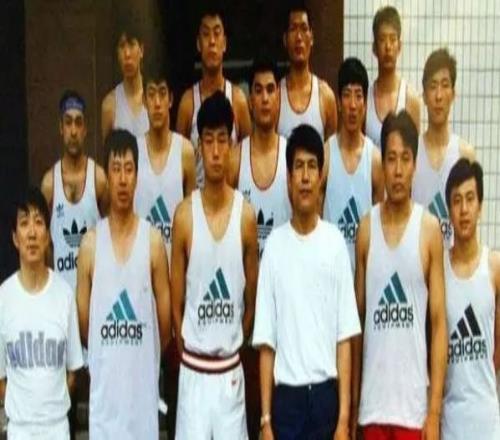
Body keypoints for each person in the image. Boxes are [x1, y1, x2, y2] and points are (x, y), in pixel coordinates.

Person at [252, 124, 360, 439]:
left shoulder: (335, 243)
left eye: (312, 166)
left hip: (326, 401)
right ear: (288, 179)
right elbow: (266, 342)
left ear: (321, 177)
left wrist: (343, 420)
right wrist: (266, 420)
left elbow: (344, 338)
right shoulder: (274, 247)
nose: (305, 176)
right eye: (298, 166)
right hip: (287, 403)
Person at [352, 111, 447, 440]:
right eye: (391, 158)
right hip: (373, 408)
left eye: (405, 159)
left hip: (413, 411)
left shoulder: (429, 230)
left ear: (414, 166)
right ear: (382, 165)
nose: (397, 170)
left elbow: (439, 324)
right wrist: (353, 407)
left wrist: (433, 412)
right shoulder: (366, 230)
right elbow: (357, 324)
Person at [171, 91, 258, 439]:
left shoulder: (245, 217)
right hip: (193, 371)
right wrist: (190, 346)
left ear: (233, 145)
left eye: (223, 139)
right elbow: (176, 303)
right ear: (199, 147)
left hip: (229, 374)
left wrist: (235, 339)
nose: (217, 151)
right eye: (209, 140)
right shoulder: (183, 216)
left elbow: (252, 299)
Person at [77, 129, 171, 439]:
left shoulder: (153, 242)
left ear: (137, 175)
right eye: (116, 169)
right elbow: (85, 325)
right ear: (106, 175)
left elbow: (164, 326)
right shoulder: (90, 245)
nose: (122, 179)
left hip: (142, 404)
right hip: (105, 405)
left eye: (129, 169)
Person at [0, 187, 83, 439]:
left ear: (48, 235)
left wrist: (50, 410)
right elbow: (1, 377)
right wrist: (25, 411)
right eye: (24, 223)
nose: (32, 233)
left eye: (38, 222)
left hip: (57, 428)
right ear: (15, 238)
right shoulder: (3, 298)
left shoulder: (64, 294)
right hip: (20, 430)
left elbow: (73, 370)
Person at [441, 158, 500, 439]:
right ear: (449, 210)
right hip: (451, 420)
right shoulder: (439, 271)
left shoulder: (495, 267)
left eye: (470, 199)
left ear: (480, 206)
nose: (464, 209)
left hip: (486, 420)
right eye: (456, 201)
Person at [176, 5, 251, 187]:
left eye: (217, 34)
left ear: (224, 43)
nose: (211, 42)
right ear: (198, 43)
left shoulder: (238, 100)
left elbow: (248, 159)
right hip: (197, 197)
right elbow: (178, 165)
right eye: (206, 34)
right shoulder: (187, 103)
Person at [41, 90, 107, 291]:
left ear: (85, 129)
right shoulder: (49, 184)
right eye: (68, 122)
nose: (73, 131)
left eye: (78, 123)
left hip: (95, 293)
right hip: (62, 296)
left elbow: (111, 233)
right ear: (61, 128)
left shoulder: (99, 179)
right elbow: (44, 245)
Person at [322, 57, 384, 271]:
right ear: (339, 103)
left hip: (364, 273)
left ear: (365, 104)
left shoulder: (375, 159)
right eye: (347, 95)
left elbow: (380, 225)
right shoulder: (325, 155)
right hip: (330, 272)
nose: (353, 104)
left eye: (358, 96)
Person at [227, 56, 291, 260]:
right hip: (246, 275)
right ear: (250, 101)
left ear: (279, 98)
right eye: (258, 90)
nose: (265, 98)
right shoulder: (234, 160)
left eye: (270, 90)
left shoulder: (292, 158)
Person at [412, 48, 475, 248]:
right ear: (424, 95)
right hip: (419, 263)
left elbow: (471, 224)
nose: (438, 96)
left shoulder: (464, 154)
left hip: (454, 265)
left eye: (445, 85)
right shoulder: (412, 153)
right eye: (433, 86)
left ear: (453, 94)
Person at [134, 63, 196, 262]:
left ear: (171, 99)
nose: (157, 103)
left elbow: (192, 216)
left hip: (175, 266)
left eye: (162, 94)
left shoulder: (185, 151)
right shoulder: (134, 151)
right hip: (142, 265)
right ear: (144, 101)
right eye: (151, 95)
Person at [277, 2, 337, 140]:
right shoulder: (276, 97)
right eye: (293, 29)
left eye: (304, 29)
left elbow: (331, 150)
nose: (299, 37)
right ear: (285, 39)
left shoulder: (326, 96)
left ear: (312, 38)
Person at [365, 6, 420, 149]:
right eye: (382, 39)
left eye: (392, 39)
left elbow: (414, 154)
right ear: (374, 48)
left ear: (399, 46)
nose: (388, 47)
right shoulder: (365, 99)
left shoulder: (411, 99)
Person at [101, 20, 149, 140]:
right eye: (122, 46)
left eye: (132, 45)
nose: (127, 54)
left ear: (141, 50)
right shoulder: (110, 104)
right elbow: (107, 149)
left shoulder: (154, 98)